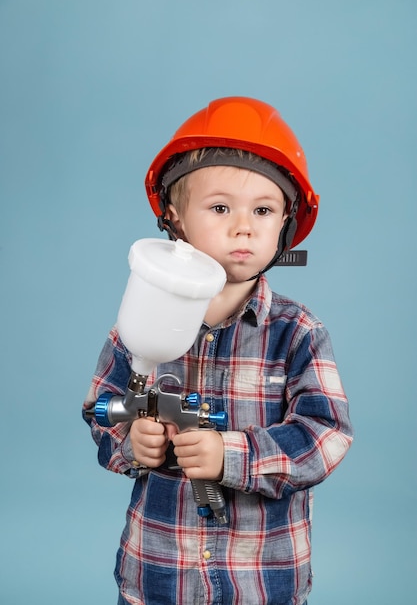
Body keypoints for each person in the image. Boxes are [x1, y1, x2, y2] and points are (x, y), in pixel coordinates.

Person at [83, 96, 353, 605]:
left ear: (286, 228)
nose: (243, 226)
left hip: (261, 583)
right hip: (158, 574)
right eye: (221, 207)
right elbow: (99, 408)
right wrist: (127, 440)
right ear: (175, 216)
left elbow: (327, 436)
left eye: (264, 210)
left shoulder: (296, 333)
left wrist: (230, 454)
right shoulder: (137, 324)